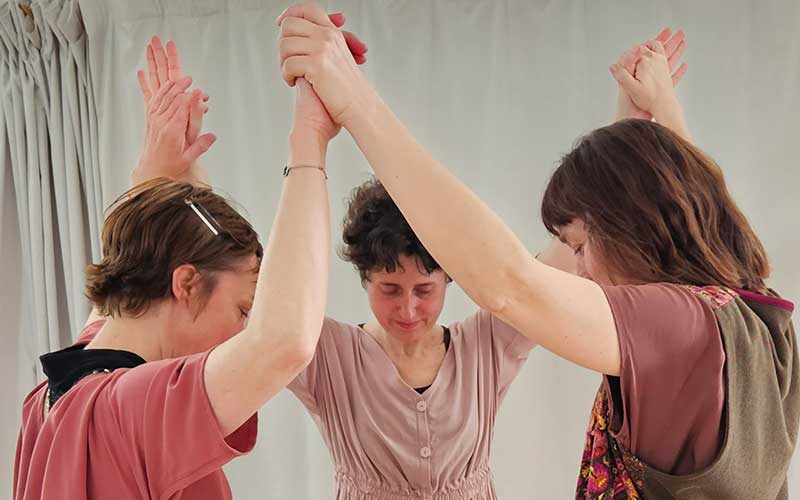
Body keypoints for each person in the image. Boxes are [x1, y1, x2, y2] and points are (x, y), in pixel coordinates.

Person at [276, 4, 798, 499]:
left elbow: (509, 282)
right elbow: (702, 213)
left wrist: (351, 99)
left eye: (579, 243)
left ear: (632, 228)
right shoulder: (755, 314)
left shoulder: (679, 327)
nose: (581, 267)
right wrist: (648, 126)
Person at [13, 29, 336, 498]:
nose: (246, 330)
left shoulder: (56, 392)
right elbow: (284, 343)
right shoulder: (133, 408)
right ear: (185, 283)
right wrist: (310, 144)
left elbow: (127, 278)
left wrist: (156, 174)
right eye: (244, 310)